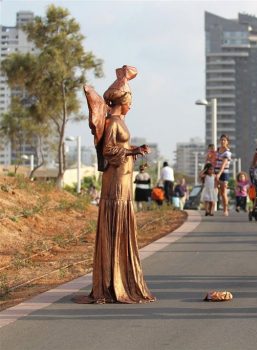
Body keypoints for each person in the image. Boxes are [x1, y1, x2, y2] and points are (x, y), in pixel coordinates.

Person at [77, 65, 155, 304]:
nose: (131, 106)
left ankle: (120, 276)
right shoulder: (113, 122)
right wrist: (132, 150)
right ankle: (113, 282)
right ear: (124, 102)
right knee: (115, 221)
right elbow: (110, 150)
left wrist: (134, 151)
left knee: (121, 222)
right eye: (130, 101)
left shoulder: (118, 120)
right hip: (115, 183)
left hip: (123, 181)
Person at [215, 134, 232, 216]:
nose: (222, 141)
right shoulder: (217, 150)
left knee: (223, 193)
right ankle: (211, 208)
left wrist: (219, 174)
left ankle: (225, 209)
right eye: (221, 140)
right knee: (214, 190)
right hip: (215, 172)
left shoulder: (227, 152)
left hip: (223, 173)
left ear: (227, 142)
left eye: (224, 140)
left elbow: (223, 165)